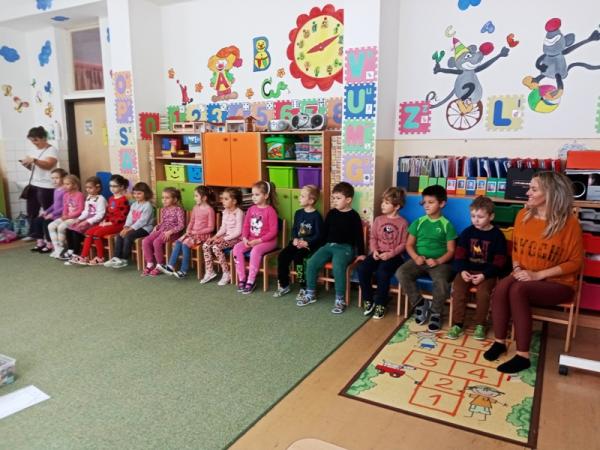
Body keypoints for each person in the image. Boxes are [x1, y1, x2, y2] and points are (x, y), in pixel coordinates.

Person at [483, 172, 583, 373]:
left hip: (558, 283)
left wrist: (538, 275)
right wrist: (517, 268)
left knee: (518, 290)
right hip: (525, 274)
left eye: (533, 189)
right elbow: (516, 250)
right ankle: (500, 342)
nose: (527, 192)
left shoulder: (570, 223)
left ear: (550, 193)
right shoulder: (523, 216)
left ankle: (523, 356)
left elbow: (575, 262)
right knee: (502, 287)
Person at [297, 181, 365, 314]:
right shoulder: (332, 213)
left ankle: (340, 299)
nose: (334, 201)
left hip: (345, 248)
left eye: (338, 198)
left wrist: (361, 253)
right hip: (328, 246)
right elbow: (323, 234)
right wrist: (316, 248)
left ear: (348, 200)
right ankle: (310, 293)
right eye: (334, 198)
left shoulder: (354, 216)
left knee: (338, 265)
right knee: (311, 262)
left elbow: (359, 236)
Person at [396, 185, 457, 332]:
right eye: (424, 202)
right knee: (401, 273)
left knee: (441, 281)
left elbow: (451, 250)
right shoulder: (419, 222)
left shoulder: (447, 225)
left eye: (431, 202)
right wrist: (416, 257)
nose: (426, 205)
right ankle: (420, 304)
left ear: (442, 204)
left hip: (440, 263)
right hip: (420, 261)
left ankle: (436, 313)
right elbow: (409, 245)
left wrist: (438, 261)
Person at [447, 196, 507, 340]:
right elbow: (459, 255)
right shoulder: (467, 233)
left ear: (491, 216)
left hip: (487, 273)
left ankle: (480, 324)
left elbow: (499, 262)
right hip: (467, 270)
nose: (476, 220)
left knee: (483, 293)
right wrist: (462, 270)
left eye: (480, 217)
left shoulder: (498, 236)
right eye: (473, 216)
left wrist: (484, 275)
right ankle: (457, 324)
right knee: (458, 291)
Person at [357, 187, 409, 320]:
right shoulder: (378, 219)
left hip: (395, 256)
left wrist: (390, 254)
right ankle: (368, 299)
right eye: (383, 202)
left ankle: (381, 303)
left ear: (397, 206)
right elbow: (373, 238)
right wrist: (374, 250)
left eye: (386, 203)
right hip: (378, 253)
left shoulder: (403, 223)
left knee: (382, 272)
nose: (382, 205)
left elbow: (403, 244)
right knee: (362, 269)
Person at [273, 184, 324, 299]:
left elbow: (319, 235)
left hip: (308, 246)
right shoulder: (298, 213)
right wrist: (295, 239)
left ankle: (303, 286)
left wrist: (307, 242)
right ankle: (284, 285)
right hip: (296, 243)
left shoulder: (317, 216)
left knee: (298, 258)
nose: (299, 198)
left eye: (302, 196)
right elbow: (295, 229)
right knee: (282, 256)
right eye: (300, 195)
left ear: (311, 201)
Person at [68, 175, 130, 266]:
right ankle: (83, 256)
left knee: (97, 234)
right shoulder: (111, 198)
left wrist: (109, 223)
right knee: (89, 232)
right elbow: (108, 213)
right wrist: (105, 221)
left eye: (115, 186)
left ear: (122, 187)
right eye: (110, 186)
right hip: (109, 223)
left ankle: (100, 257)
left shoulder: (123, 200)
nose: (112, 188)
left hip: (119, 225)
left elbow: (122, 217)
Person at [159, 186, 216, 278]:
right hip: (192, 234)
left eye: (196, 196)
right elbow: (192, 221)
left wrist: (196, 231)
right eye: (194, 196)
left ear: (204, 198)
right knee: (178, 242)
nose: (194, 198)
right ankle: (170, 266)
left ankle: (183, 270)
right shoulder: (195, 208)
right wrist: (188, 230)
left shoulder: (209, 210)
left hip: (203, 236)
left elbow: (211, 228)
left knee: (185, 244)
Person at [232, 181, 279, 294]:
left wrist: (258, 241)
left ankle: (251, 281)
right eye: (253, 194)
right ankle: (242, 278)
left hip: (268, 242)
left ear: (266, 196)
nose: (253, 197)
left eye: (257, 194)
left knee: (255, 251)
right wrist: (244, 238)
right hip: (251, 240)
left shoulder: (270, 211)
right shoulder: (251, 209)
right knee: (237, 248)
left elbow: (273, 232)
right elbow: (246, 226)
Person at [105, 182, 155, 269]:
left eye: (139, 193)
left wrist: (129, 229)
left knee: (128, 236)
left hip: (145, 228)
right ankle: (116, 257)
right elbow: (130, 217)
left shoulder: (148, 205)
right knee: (120, 235)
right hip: (133, 227)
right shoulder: (134, 204)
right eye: (135, 193)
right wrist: (126, 227)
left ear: (146, 193)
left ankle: (124, 259)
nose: (136, 195)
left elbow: (143, 221)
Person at [200, 188, 244, 286]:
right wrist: (214, 237)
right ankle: (210, 271)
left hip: (236, 239)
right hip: (226, 236)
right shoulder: (225, 212)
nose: (223, 201)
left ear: (234, 201)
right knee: (206, 245)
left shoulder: (239, 213)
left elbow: (238, 232)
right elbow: (223, 228)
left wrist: (223, 239)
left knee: (216, 247)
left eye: (226, 199)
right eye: (222, 198)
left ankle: (226, 273)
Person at [21, 126, 59, 240]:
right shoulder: (33, 150)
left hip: (47, 186)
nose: (34, 143)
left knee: (48, 211)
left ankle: (50, 236)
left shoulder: (51, 150)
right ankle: (35, 234)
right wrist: (27, 164)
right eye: (32, 140)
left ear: (44, 138)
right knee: (31, 211)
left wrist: (34, 160)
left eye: (36, 140)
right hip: (34, 184)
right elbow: (34, 168)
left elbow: (49, 166)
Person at [141, 187, 185, 277]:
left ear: (175, 199)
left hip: (173, 233)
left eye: (167, 198)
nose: (164, 200)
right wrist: (157, 226)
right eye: (163, 197)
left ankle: (160, 265)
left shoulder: (178, 210)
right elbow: (163, 222)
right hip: (162, 230)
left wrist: (170, 232)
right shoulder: (164, 209)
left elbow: (181, 225)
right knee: (145, 241)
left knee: (157, 242)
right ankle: (150, 264)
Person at [60, 176, 106, 261]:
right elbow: (85, 211)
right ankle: (70, 250)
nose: (88, 190)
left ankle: (76, 253)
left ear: (98, 188)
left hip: (95, 222)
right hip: (86, 220)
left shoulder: (101, 199)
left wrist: (87, 221)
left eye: (90, 188)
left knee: (76, 231)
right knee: (69, 228)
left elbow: (100, 215)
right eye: (87, 188)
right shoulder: (89, 197)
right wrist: (79, 219)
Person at [29, 168, 68, 253]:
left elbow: (64, 207)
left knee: (46, 222)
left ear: (63, 178)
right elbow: (55, 204)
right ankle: (40, 242)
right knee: (37, 220)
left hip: (61, 215)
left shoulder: (65, 191)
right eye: (52, 178)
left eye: (57, 178)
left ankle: (50, 244)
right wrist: (46, 211)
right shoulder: (56, 189)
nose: (54, 180)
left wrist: (52, 214)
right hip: (54, 214)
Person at [47, 175, 84, 258]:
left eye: (67, 184)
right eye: (64, 184)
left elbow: (80, 210)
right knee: (51, 226)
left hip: (75, 218)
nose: (65, 186)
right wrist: (64, 215)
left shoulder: (79, 195)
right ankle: (57, 248)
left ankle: (62, 246)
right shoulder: (65, 195)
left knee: (61, 227)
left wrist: (68, 216)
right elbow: (65, 208)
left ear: (74, 185)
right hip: (66, 217)